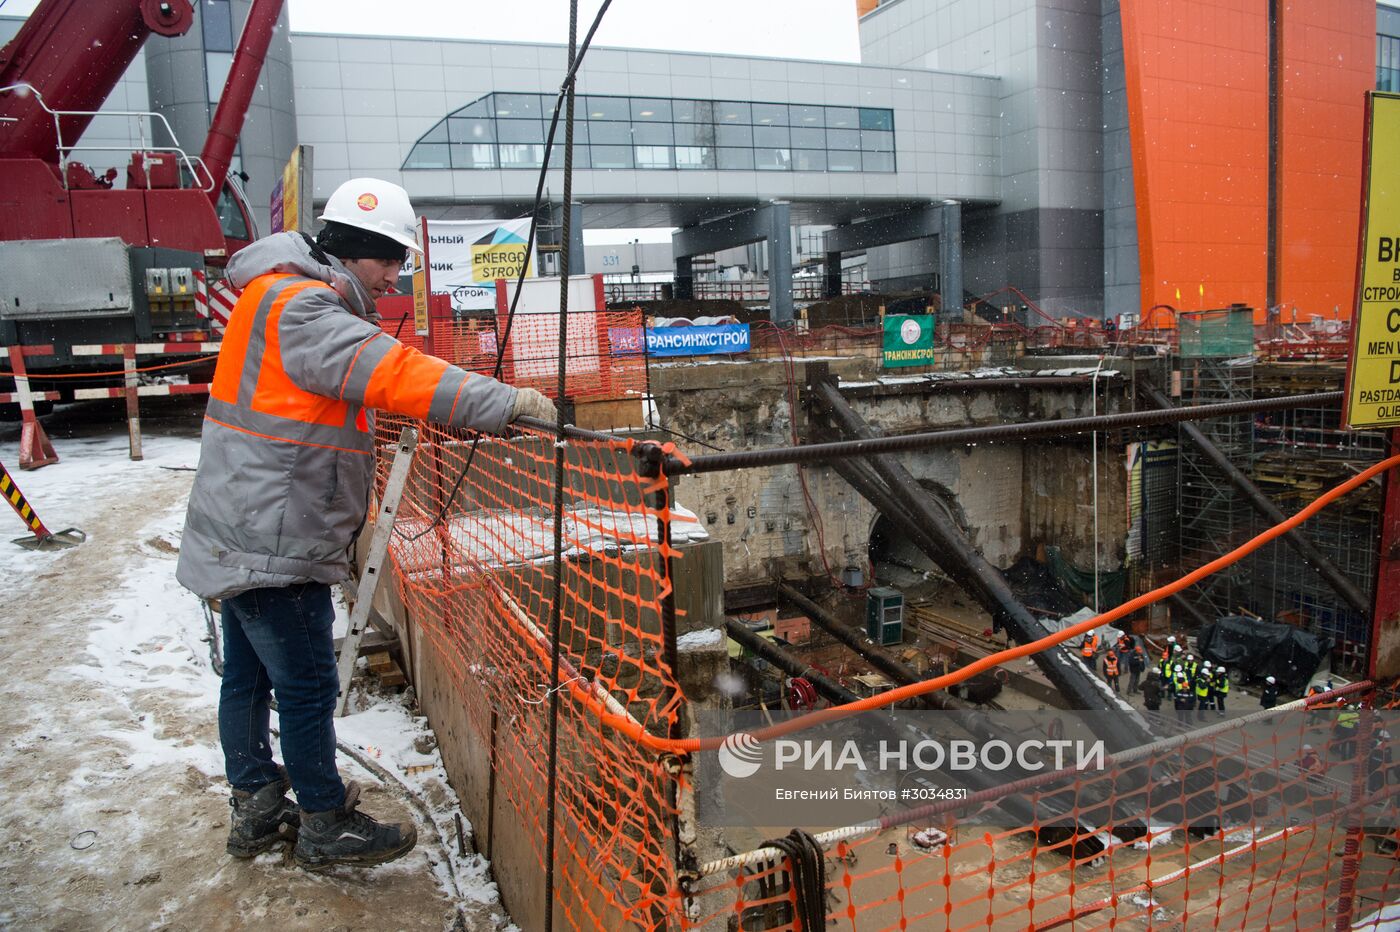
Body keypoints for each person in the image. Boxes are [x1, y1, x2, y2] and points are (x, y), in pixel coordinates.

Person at [176, 178, 557, 871]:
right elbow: (397, 372)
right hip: (274, 538)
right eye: (390, 260)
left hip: (246, 524)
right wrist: (505, 403)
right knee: (307, 684)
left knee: (250, 678)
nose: (395, 276)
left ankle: (257, 805)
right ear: (356, 250)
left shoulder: (271, 294)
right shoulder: (306, 311)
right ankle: (324, 820)